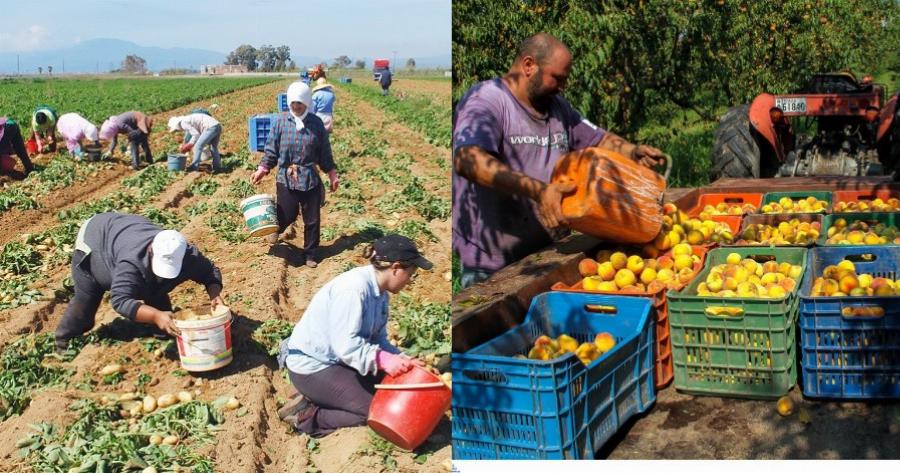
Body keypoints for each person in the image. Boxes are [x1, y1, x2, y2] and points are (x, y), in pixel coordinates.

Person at [452, 32, 667, 288]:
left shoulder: (558, 107)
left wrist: (632, 151)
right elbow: (468, 160)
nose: (562, 87)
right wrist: (539, 191)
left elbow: (596, 139)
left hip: (550, 254)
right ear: (529, 65)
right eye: (558, 78)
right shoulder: (486, 100)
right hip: (493, 265)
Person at [275, 234, 432, 436]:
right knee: (377, 412)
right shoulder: (354, 290)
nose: (410, 280)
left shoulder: (380, 293)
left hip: (335, 360)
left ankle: (322, 395)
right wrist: (384, 360)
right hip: (312, 365)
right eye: (411, 273)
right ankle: (307, 417)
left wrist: (399, 358)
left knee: (388, 389)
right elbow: (346, 346)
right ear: (396, 268)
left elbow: (377, 339)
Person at [54, 212, 224, 353]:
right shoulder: (132, 262)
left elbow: (210, 272)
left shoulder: (188, 255)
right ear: (151, 251)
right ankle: (63, 340)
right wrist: (156, 316)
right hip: (94, 240)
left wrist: (215, 294)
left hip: (123, 231)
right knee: (88, 296)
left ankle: (161, 329)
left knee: (157, 284)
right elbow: (120, 300)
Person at [250, 81, 339, 268]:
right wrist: (262, 169)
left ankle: (310, 253)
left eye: (300, 103)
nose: (296, 107)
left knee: (312, 219)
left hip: (309, 178)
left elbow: (324, 152)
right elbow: (271, 150)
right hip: (285, 177)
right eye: (293, 103)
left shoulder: (316, 124)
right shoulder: (281, 122)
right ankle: (276, 229)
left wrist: (331, 173)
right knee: (287, 213)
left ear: (307, 102)